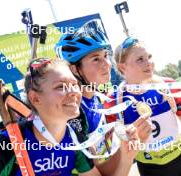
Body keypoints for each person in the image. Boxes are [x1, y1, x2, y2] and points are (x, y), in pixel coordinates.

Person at [0, 58, 139, 176]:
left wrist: (126, 157)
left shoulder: (75, 137)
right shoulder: (6, 145)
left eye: (74, 85)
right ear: (35, 98)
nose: (73, 92)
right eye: (61, 87)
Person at [56, 22, 152, 175]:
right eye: (96, 59)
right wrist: (128, 153)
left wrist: (129, 145)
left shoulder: (99, 101)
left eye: (105, 56)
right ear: (75, 69)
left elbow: (105, 166)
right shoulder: (73, 115)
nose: (107, 64)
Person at [110, 37, 181, 176]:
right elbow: (117, 154)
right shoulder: (114, 101)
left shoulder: (168, 85)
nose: (149, 63)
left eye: (149, 57)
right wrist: (135, 140)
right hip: (149, 168)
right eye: (140, 59)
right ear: (123, 67)